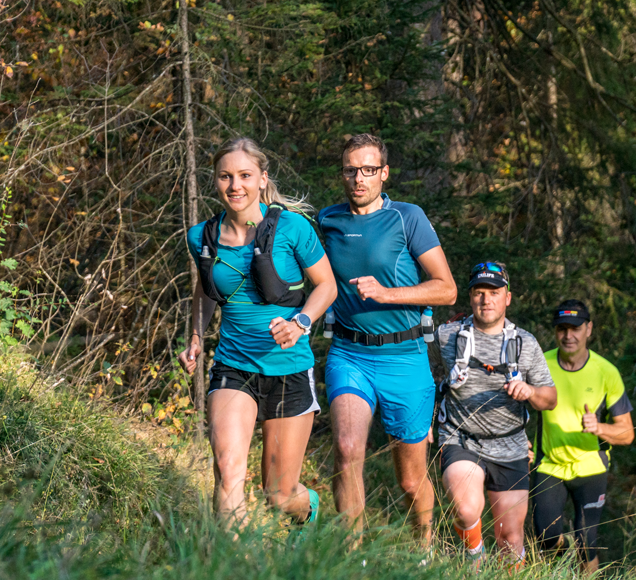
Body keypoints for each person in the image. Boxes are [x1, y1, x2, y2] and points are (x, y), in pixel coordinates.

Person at [179, 137, 337, 528]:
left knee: (279, 495)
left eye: (245, 176)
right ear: (215, 181)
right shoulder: (202, 236)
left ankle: (308, 508)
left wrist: (301, 322)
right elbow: (205, 289)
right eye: (226, 177)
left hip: (288, 368)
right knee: (228, 469)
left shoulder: (292, 228)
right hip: (233, 366)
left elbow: (327, 286)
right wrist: (196, 337)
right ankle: (232, 567)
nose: (236, 186)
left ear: (262, 179)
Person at [318, 134, 456, 543]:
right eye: (350, 170)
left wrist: (387, 293)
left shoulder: (407, 218)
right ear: (342, 173)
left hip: (405, 358)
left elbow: (446, 289)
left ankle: (423, 547)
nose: (358, 178)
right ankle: (352, 556)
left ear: (384, 173)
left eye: (368, 170)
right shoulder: (328, 220)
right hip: (349, 353)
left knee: (411, 482)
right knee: (346, 450)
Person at [435, 262, 557, 570]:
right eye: (479, 293)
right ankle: (475, 560)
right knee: (465, 510)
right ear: (470, 297)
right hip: (461, 438)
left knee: (511, 537)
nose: (486, 300)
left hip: (510, 445)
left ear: (508, 297)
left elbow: (550, 399)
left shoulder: (524, 343)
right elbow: (422, 379)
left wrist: (529, 391)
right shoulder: (447, 336)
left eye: (494, 293)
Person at [532, 300, 635, 573]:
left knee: (587, 542)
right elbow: (520, 405)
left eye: (575, 328)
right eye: (562, 329)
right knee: (545, 537)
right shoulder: (542, 363)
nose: (569, 336)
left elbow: (627, 433)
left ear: (588, 329)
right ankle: (565, 554)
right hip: (549, 464)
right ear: (555, 332)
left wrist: (599, 427)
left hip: (591, 466)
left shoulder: (606, 372)